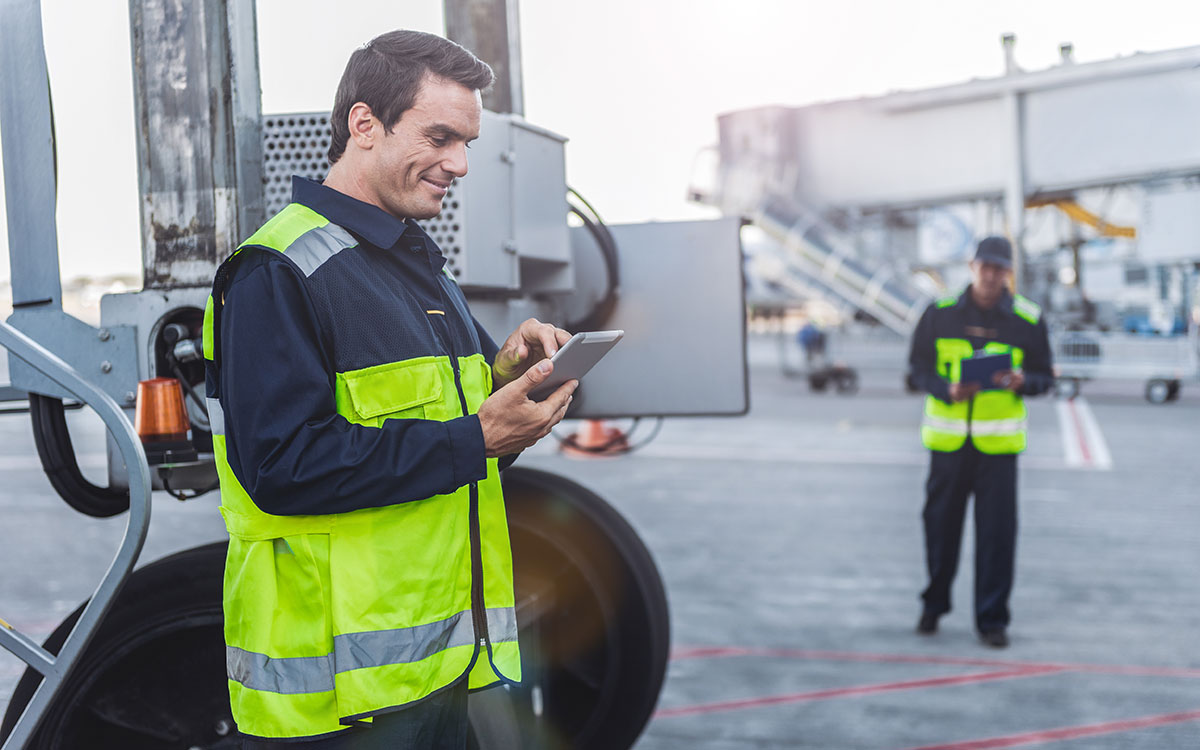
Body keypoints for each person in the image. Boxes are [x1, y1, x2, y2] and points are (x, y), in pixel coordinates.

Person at [201, 30, 577, 747]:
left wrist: (504, 391)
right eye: (440, 136)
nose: (460, 163)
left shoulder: (420, 268)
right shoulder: (277, 271)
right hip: (334, 706)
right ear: (364, 125)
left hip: (433, 678)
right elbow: (282, 470)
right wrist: (475, 436)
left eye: (466, 142)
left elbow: (456, 453)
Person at [907, 236, 1054, 648]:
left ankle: (992, 620)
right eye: (984, 267)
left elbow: (1045, 377)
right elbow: (916, 370)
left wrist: (1025, 382)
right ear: (972, 267)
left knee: (997, 537)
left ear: (1008, 273)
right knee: (940, 529)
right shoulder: (939, 315)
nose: (990, 275)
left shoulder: (1026, 319)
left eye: (998, 268)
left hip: (998, 451)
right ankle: (933, 604)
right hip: (948, 446)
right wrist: (944, 390)